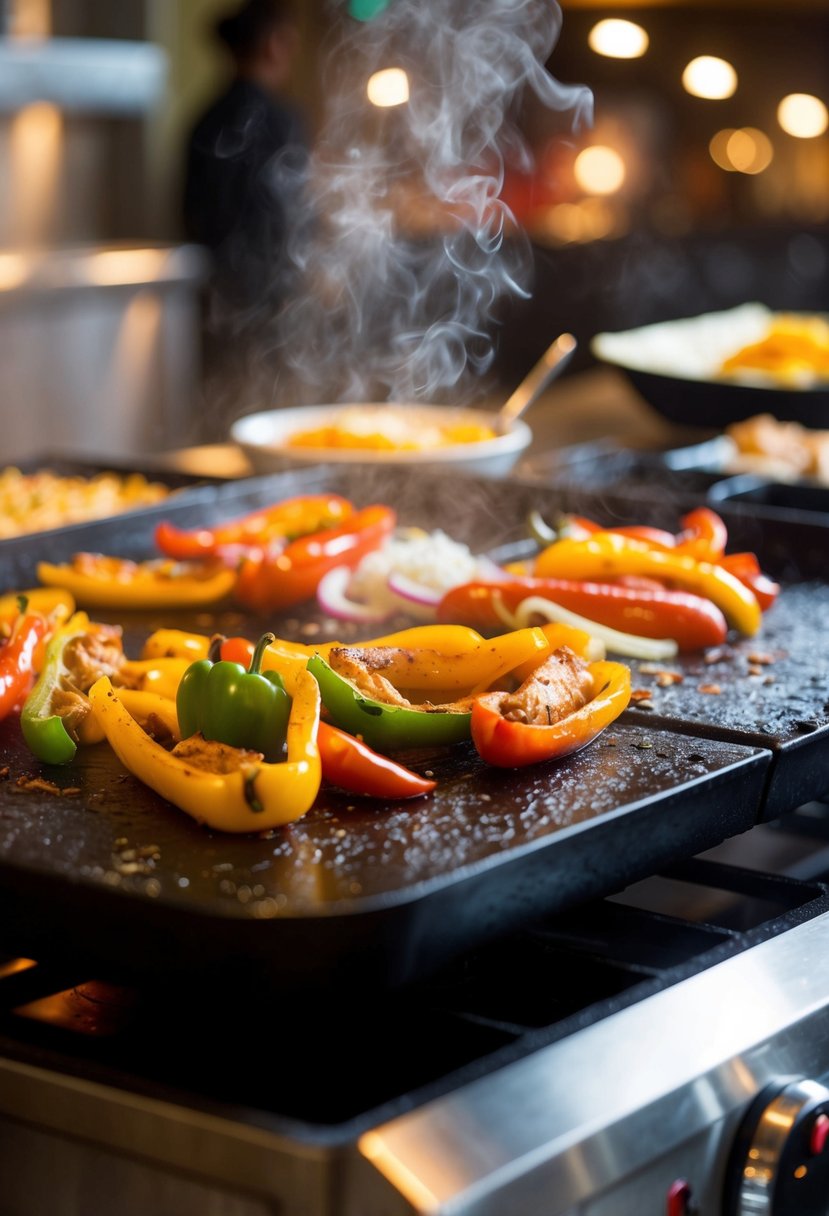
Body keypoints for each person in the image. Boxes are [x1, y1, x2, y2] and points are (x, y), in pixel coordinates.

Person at [183, 0, 308, 415]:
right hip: (273, 304)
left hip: (212, 303)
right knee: (275, 413)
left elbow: (191, 215)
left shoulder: (204, 119)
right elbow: (296, 216)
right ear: (273, 45)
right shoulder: (281, 120)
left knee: (224, 412)